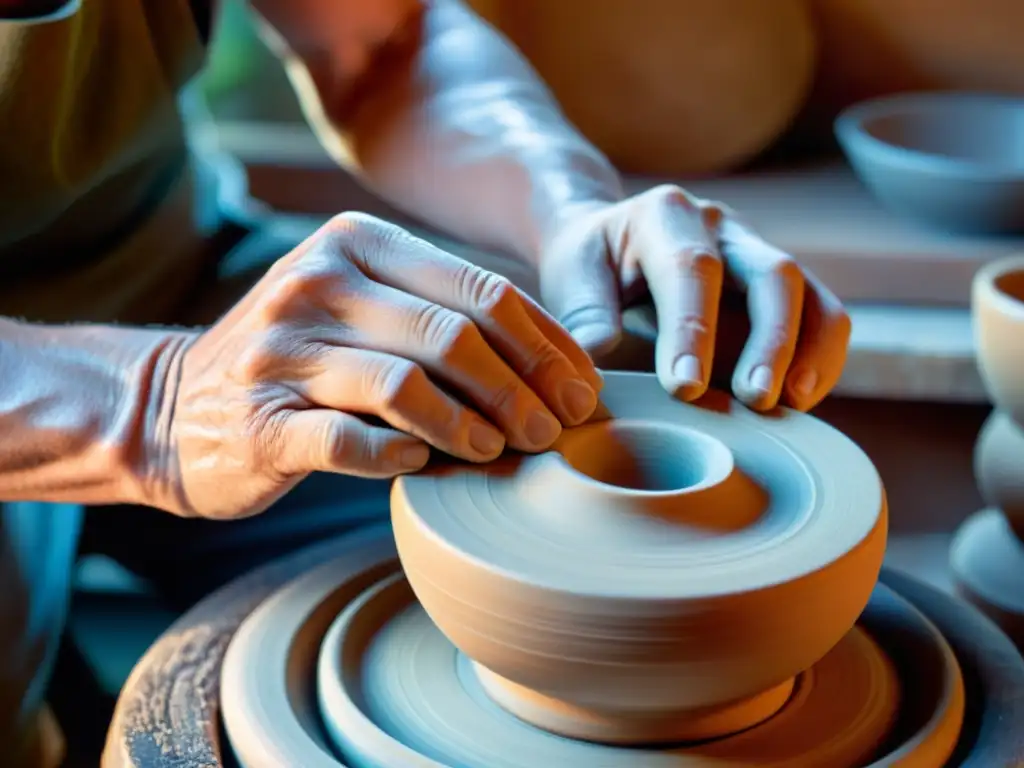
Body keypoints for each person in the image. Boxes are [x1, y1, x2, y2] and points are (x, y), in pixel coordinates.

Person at [0, 0, 852, 763]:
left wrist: (568, 211)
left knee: (527, 514)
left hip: (184, 292)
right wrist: (149, 405)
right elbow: (157, 403)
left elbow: (385, 45)